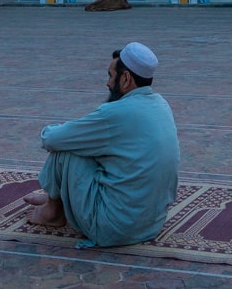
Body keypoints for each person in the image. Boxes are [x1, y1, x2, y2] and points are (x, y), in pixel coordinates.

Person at [25, 42, 179, 247]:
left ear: (125, 79)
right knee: (89, 146)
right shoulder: (161, 104)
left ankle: (52, 211)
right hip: (151, 225)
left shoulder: (116, 113)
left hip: (113, 229)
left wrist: (52, 129)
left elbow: (52, 139)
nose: (107, 83)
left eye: (110, 75)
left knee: (67, 149)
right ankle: (55, 199)